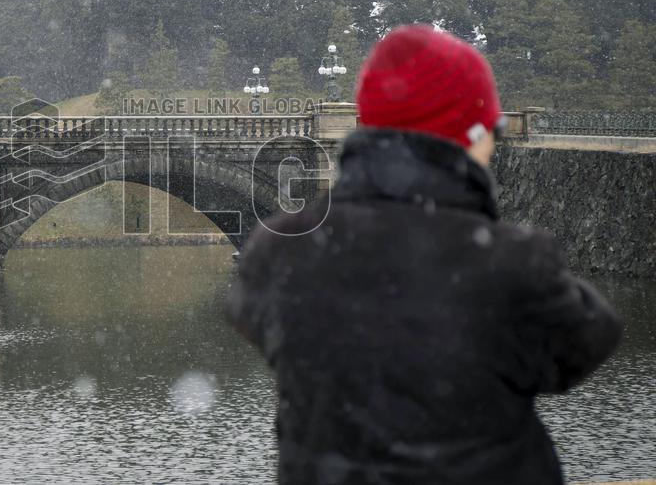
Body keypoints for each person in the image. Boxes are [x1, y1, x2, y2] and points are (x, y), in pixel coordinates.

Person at [228, 25, 622, 485]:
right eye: (492, 128)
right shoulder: (511, 260)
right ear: (470, 136)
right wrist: (474, 213)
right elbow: (591, 339)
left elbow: (252, 316)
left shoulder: (281, 249)